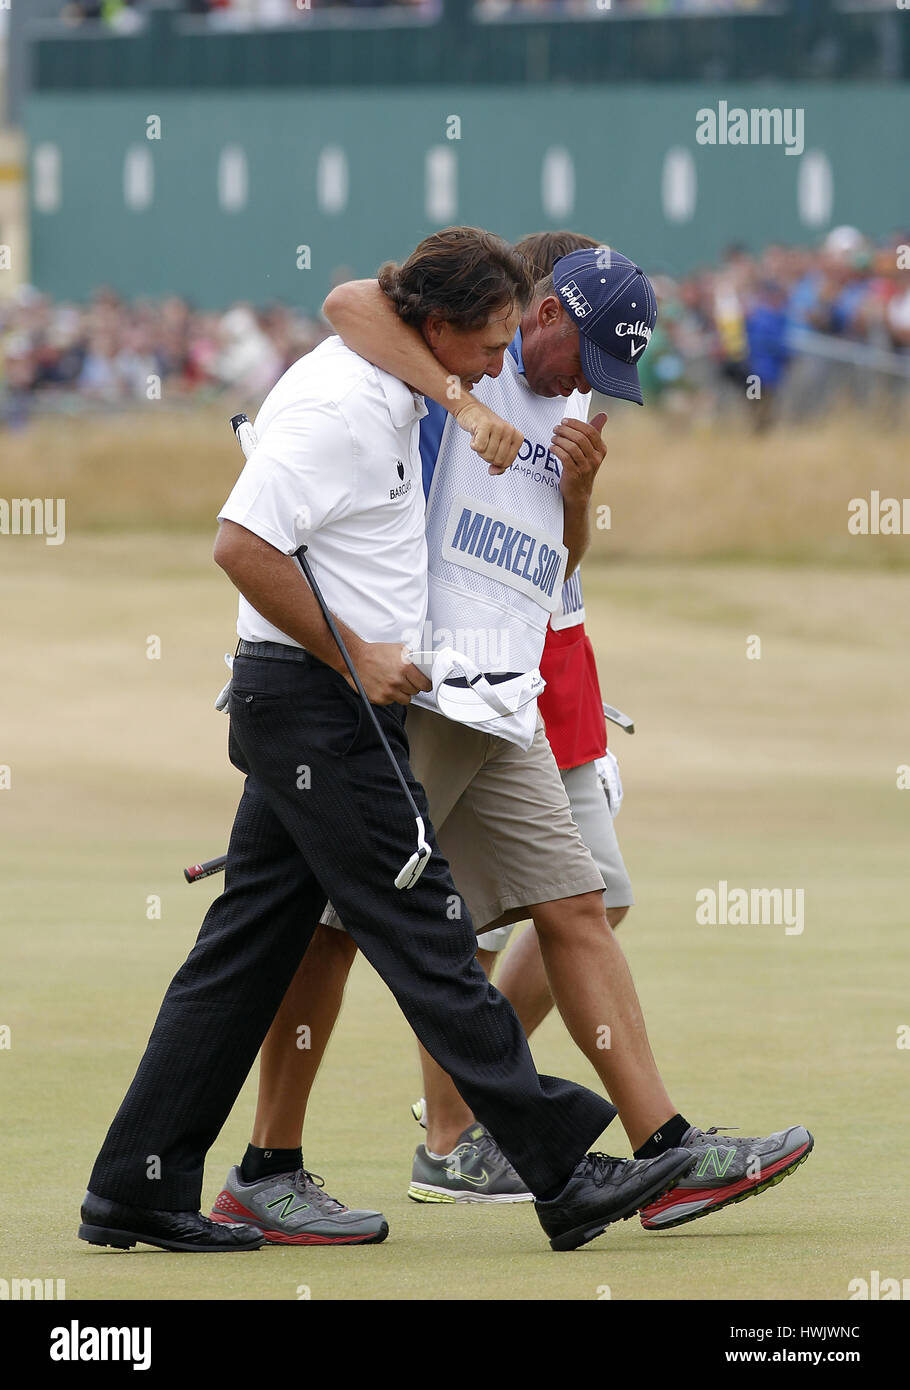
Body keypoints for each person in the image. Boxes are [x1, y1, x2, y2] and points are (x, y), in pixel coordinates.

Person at [78, 226, 694, 1256]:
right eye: (489, 345)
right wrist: (358, 652)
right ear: (441, 328)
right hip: (315, 698)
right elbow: (241, 543)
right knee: (425, 933)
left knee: (243, 950)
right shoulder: (341, 405)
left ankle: (141, 1183)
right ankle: (556, 1162)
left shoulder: (409, 388)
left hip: (334, 698)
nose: (500, 370)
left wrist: (465, 409)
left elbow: (385, 324)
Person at [210, 235, 812, 1241]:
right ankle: (269, 1163)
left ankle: (665, 1150)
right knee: (331, 927)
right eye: (586, 359)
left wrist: (578, 494)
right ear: (543, 317)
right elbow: (348, 299)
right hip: (424, 690)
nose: (592, 389)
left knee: (577, 902)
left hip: (506, 695)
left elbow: (558, 563)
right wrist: (464, 403)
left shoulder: (573, 403)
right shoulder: (461, 356)